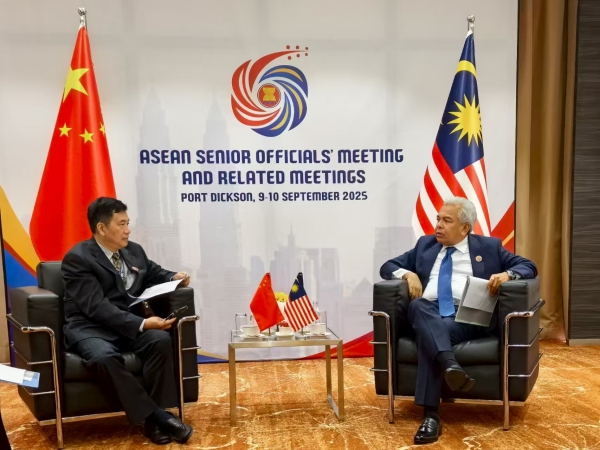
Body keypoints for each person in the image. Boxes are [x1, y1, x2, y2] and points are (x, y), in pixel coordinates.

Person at [380, 196, 537, 445]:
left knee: (430, 334)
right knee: (419, 306)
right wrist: (408, 274)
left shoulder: (489, 247)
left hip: (467, 315)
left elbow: (528, 266)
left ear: (465, 228)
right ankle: (449, 368)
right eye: (438, 219)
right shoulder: (425, 245)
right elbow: (388, 266)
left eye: (446, 220)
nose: (438, 225)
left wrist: (508, 274)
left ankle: (432, 416)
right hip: (427, 311)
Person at [62, 197, 193, 445]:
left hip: (127, 325)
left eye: (128, 223)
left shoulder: (133, 251)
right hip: (91, 327)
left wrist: (173, 277)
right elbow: (96, 307)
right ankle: (158, 416)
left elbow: (153, 272)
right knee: (103, 357)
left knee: (160, 340)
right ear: (102, 228)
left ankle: (154, 423)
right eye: (121, 224)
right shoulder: (78, 259)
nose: (128, 230)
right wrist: (142, 324)